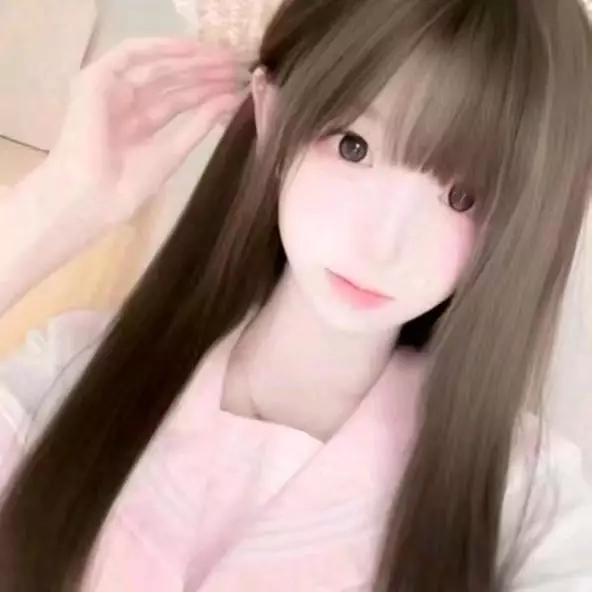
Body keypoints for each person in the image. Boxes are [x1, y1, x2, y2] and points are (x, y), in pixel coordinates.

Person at [0, 0, 591, 590]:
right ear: (272, 115)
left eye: (464, 197)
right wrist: (58, 202)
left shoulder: (527, 501)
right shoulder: (74, 371)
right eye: (354, 146)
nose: (384, 244)